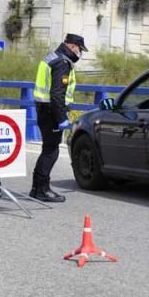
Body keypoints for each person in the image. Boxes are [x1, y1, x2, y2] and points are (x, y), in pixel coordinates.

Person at [30, 33, 87, 202]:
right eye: (80, 50)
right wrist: (62, 117)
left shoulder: (51, 57)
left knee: (47, 149)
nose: (80, 53)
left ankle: (37, 188)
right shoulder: (62, 63)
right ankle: (42, 189)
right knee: (51, 151)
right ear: (73, 47)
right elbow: (57, 94)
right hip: (51, 112)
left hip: (43, 109)